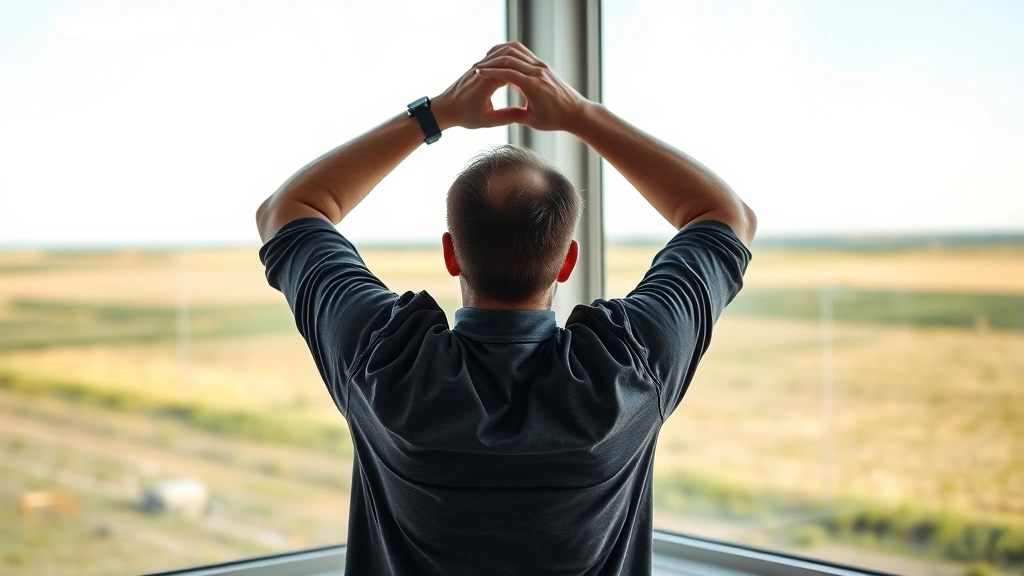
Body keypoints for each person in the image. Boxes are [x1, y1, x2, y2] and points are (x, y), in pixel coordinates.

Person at [256, 42, 756, 576]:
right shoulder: (628, 370)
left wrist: (437, 113)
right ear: (567, 262)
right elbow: (723, 216)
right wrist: (580, 115)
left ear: (451, 254)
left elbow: (289, 210)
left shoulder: (384, 364)